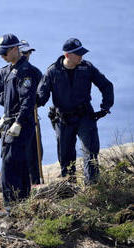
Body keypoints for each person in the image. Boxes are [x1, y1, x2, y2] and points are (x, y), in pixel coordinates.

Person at [37, 38, 114, 185]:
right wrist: (34, 100)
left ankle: (92, 188)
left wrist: (106, 106)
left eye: (81, 53)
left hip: (85, 116)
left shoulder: (87, 68)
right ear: (67, 55)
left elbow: (106, 85)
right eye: (77, 54)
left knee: (90, 152)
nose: (81, 56)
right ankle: (69, 188)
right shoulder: (52, 72)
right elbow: (42, 97)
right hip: (63, 120)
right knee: (66, 157)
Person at [0, 34, 37, 208]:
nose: (2, 56)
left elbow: (28, 101)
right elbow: (1, 95)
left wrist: (18, 122)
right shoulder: (10, 69)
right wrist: (9, 113)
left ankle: (10, 207)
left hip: (21, 124)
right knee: (20, 164)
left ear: (15, 49)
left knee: (9, 165)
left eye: (5, 52)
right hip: (11, 121)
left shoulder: (26, 71)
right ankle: (23, 205)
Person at [19, 40, 43, 185]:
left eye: (29, 52)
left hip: (32, 116)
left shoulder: (35, 72)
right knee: (16, 154)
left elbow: (43, 91)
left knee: (35, 151)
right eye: (24, 52)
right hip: (14, 118)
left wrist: (36, 101)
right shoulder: (7, 72)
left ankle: (35, 183)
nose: (27, 55)